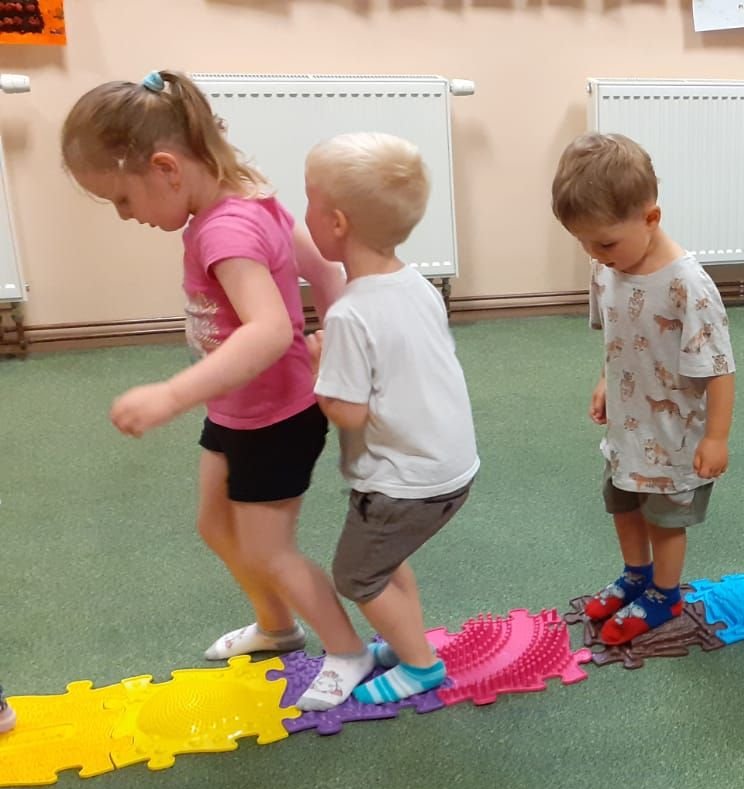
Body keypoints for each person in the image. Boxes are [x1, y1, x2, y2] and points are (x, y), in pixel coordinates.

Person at [60, 71, 362, 703]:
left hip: (277, 416)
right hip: (236, 409)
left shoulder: (226, 230)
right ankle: (277, 628)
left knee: (271, 549)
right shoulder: (249, 194)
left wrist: (172, 394)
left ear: (166, 169)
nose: (126, 215)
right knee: (215, 524)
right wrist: (335, 326)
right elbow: (324, 270)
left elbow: (270, 330)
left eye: (122, 199)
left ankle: (347, 651)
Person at [303, 132, 479, 704]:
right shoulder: (416, 284)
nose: (303, 213)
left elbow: (348, 412)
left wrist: (319, 366)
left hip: (404, 484)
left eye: (308, 201)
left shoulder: (350, 315)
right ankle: (406, 643)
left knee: (357, 574)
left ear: (336, 224)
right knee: (387, 558)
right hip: (449, 466)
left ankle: (422, 666)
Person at [551, 133, 735, 645]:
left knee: (664, 520)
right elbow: (618, 334)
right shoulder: (606, 268)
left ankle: (665, 592)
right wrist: (605, 379)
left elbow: (720, 368)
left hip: (674, 436)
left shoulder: (688, 286)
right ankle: (636, 575)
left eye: (605, 243)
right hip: (627, 426)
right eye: (583, 243)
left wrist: (716, 437)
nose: (595, 254)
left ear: (651, 218)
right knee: (623, 503)